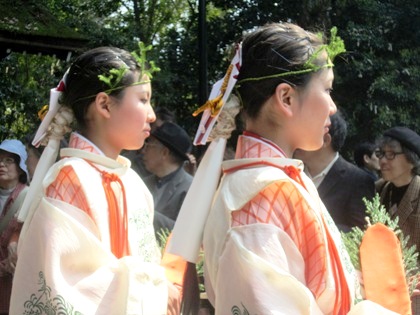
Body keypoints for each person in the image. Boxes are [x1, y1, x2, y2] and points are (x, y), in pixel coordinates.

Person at [170, 22, 399, 314]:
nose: (332, 107)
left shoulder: (272, 181)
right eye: (327, 89)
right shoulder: (260, 194)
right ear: (286, 98)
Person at [10, 46, 180, 314]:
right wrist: (157, 290)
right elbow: (67, 286)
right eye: (143, 100)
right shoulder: (70, 177)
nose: (152, 115)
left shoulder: (131, 181)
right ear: (104, 104)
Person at [294, 112, 375, 232]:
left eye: (303, 133)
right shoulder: (293, 172)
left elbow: (361, 233)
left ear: (326, 140)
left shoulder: (357, 180)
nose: (296, 139)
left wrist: (314, 228)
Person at [375, 126, 420, 314]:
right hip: (382, 290)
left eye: (391, 154)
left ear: (411, 160)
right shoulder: (381, 189)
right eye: (381, 153)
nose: (383, 160)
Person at [142, 122, 193, 239]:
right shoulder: (141, 183)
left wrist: (146, 213)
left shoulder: (191, 188)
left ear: (164, 152)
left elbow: (187, 235)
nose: (143, 151)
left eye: (148, 145)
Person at [0, 139, 29, 315]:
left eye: (9, 160)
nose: (1, 164)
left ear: (20, 167)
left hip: (14, 287)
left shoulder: (30, 197)